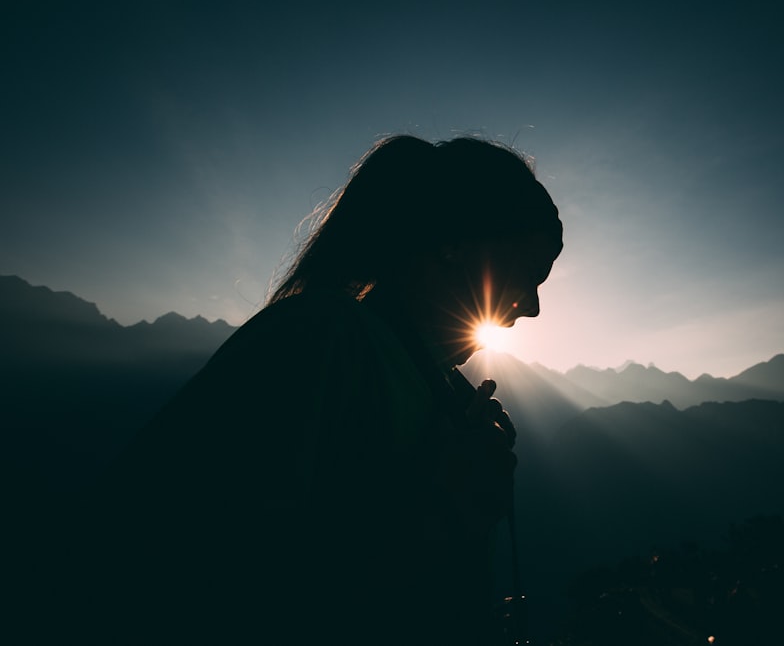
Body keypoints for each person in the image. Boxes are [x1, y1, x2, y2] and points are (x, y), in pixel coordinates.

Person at [56, 135, 562, 644]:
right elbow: (201, 577)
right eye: (528, 274)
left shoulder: (433, 384)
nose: (535, 306)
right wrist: (446, 500)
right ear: (453, 243)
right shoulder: (316, 340)